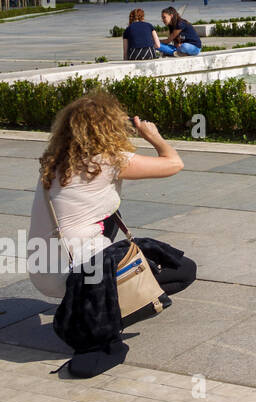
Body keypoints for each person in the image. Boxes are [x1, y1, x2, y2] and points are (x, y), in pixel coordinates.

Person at [28, 91, 188, 300]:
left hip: (43, 273)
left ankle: (97, 292)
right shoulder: (108, 161)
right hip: (75, 275)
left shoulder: (55, 162)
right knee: (184, 270)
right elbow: (174, 164)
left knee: (111, 215)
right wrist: (154, 136)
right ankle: (109, 304)